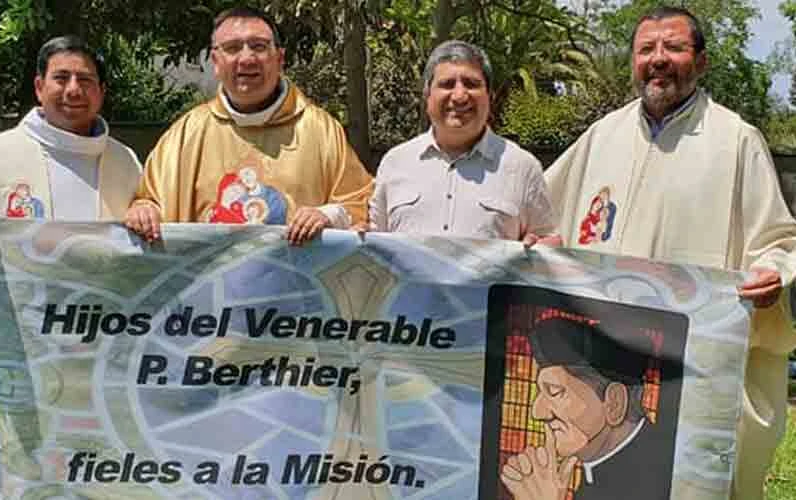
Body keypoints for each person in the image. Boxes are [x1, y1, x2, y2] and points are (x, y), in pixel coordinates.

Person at [544, 6, 796, 499]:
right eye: (646, 50)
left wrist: (771, 275)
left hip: (693, 372)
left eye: (674, 48)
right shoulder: (602, 137)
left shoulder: (736, 141)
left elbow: (778, 242)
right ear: (633, 62)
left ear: (700, 62)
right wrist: (541, 245)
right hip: (606, 368)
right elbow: (541, 218)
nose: (659, 60)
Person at [0, 35, 142, 500]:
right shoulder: (2, 153)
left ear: (100, 92)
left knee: (105, 452)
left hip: (108, 339)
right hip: (25, 339)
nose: (73, 89)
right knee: (24, 451)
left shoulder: (123, 161)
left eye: (86, 80)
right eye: (61, 78)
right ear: (39, 87)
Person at [126, 6, 373, 246]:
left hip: (291, 283)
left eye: (259, 47)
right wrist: (144, 210)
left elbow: (362, 204)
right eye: (232, 48)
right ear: (215, 61)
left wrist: (327, 215)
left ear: (279, 58)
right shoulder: (188, 132)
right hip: (211, 283)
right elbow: (150, 200)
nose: (246, 58)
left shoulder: (320, 130)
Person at [367, 40, 559, 247]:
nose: (459, 96)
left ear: (490, 96)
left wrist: (542, 247)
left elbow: (548, 242)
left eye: (471, 84)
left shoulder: (523, 167)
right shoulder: (395, 162)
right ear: (427, 96)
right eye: (447, 84)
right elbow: (374, 245)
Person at [501, 314, 674, 500]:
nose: (538, 412)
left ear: (614, 403)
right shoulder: (600, 465)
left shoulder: (662, 474)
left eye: (555, 392)